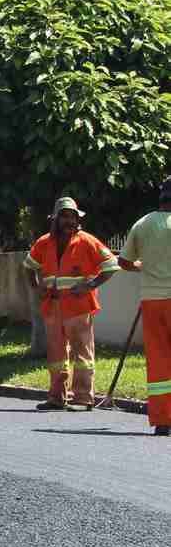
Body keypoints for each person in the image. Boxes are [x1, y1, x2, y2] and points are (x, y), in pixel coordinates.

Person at [24, 197, 120, 411]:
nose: (69, 221)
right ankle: (57, 398)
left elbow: (112, 265)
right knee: (56, 355)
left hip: (78, 307)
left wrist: (90, 285)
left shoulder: (86, 241)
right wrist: (36, 286)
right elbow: (29, 266)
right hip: (53, 306)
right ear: (55, 219)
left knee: (82, 354)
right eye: (64, 217)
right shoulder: (44, 242)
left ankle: (83, 399)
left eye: (73, 217)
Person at [117, 180, 171, 435]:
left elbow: (124, 261)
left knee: (160, 361)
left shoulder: (143, 223)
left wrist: (142, 267)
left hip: (152, 301)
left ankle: (163, 421)